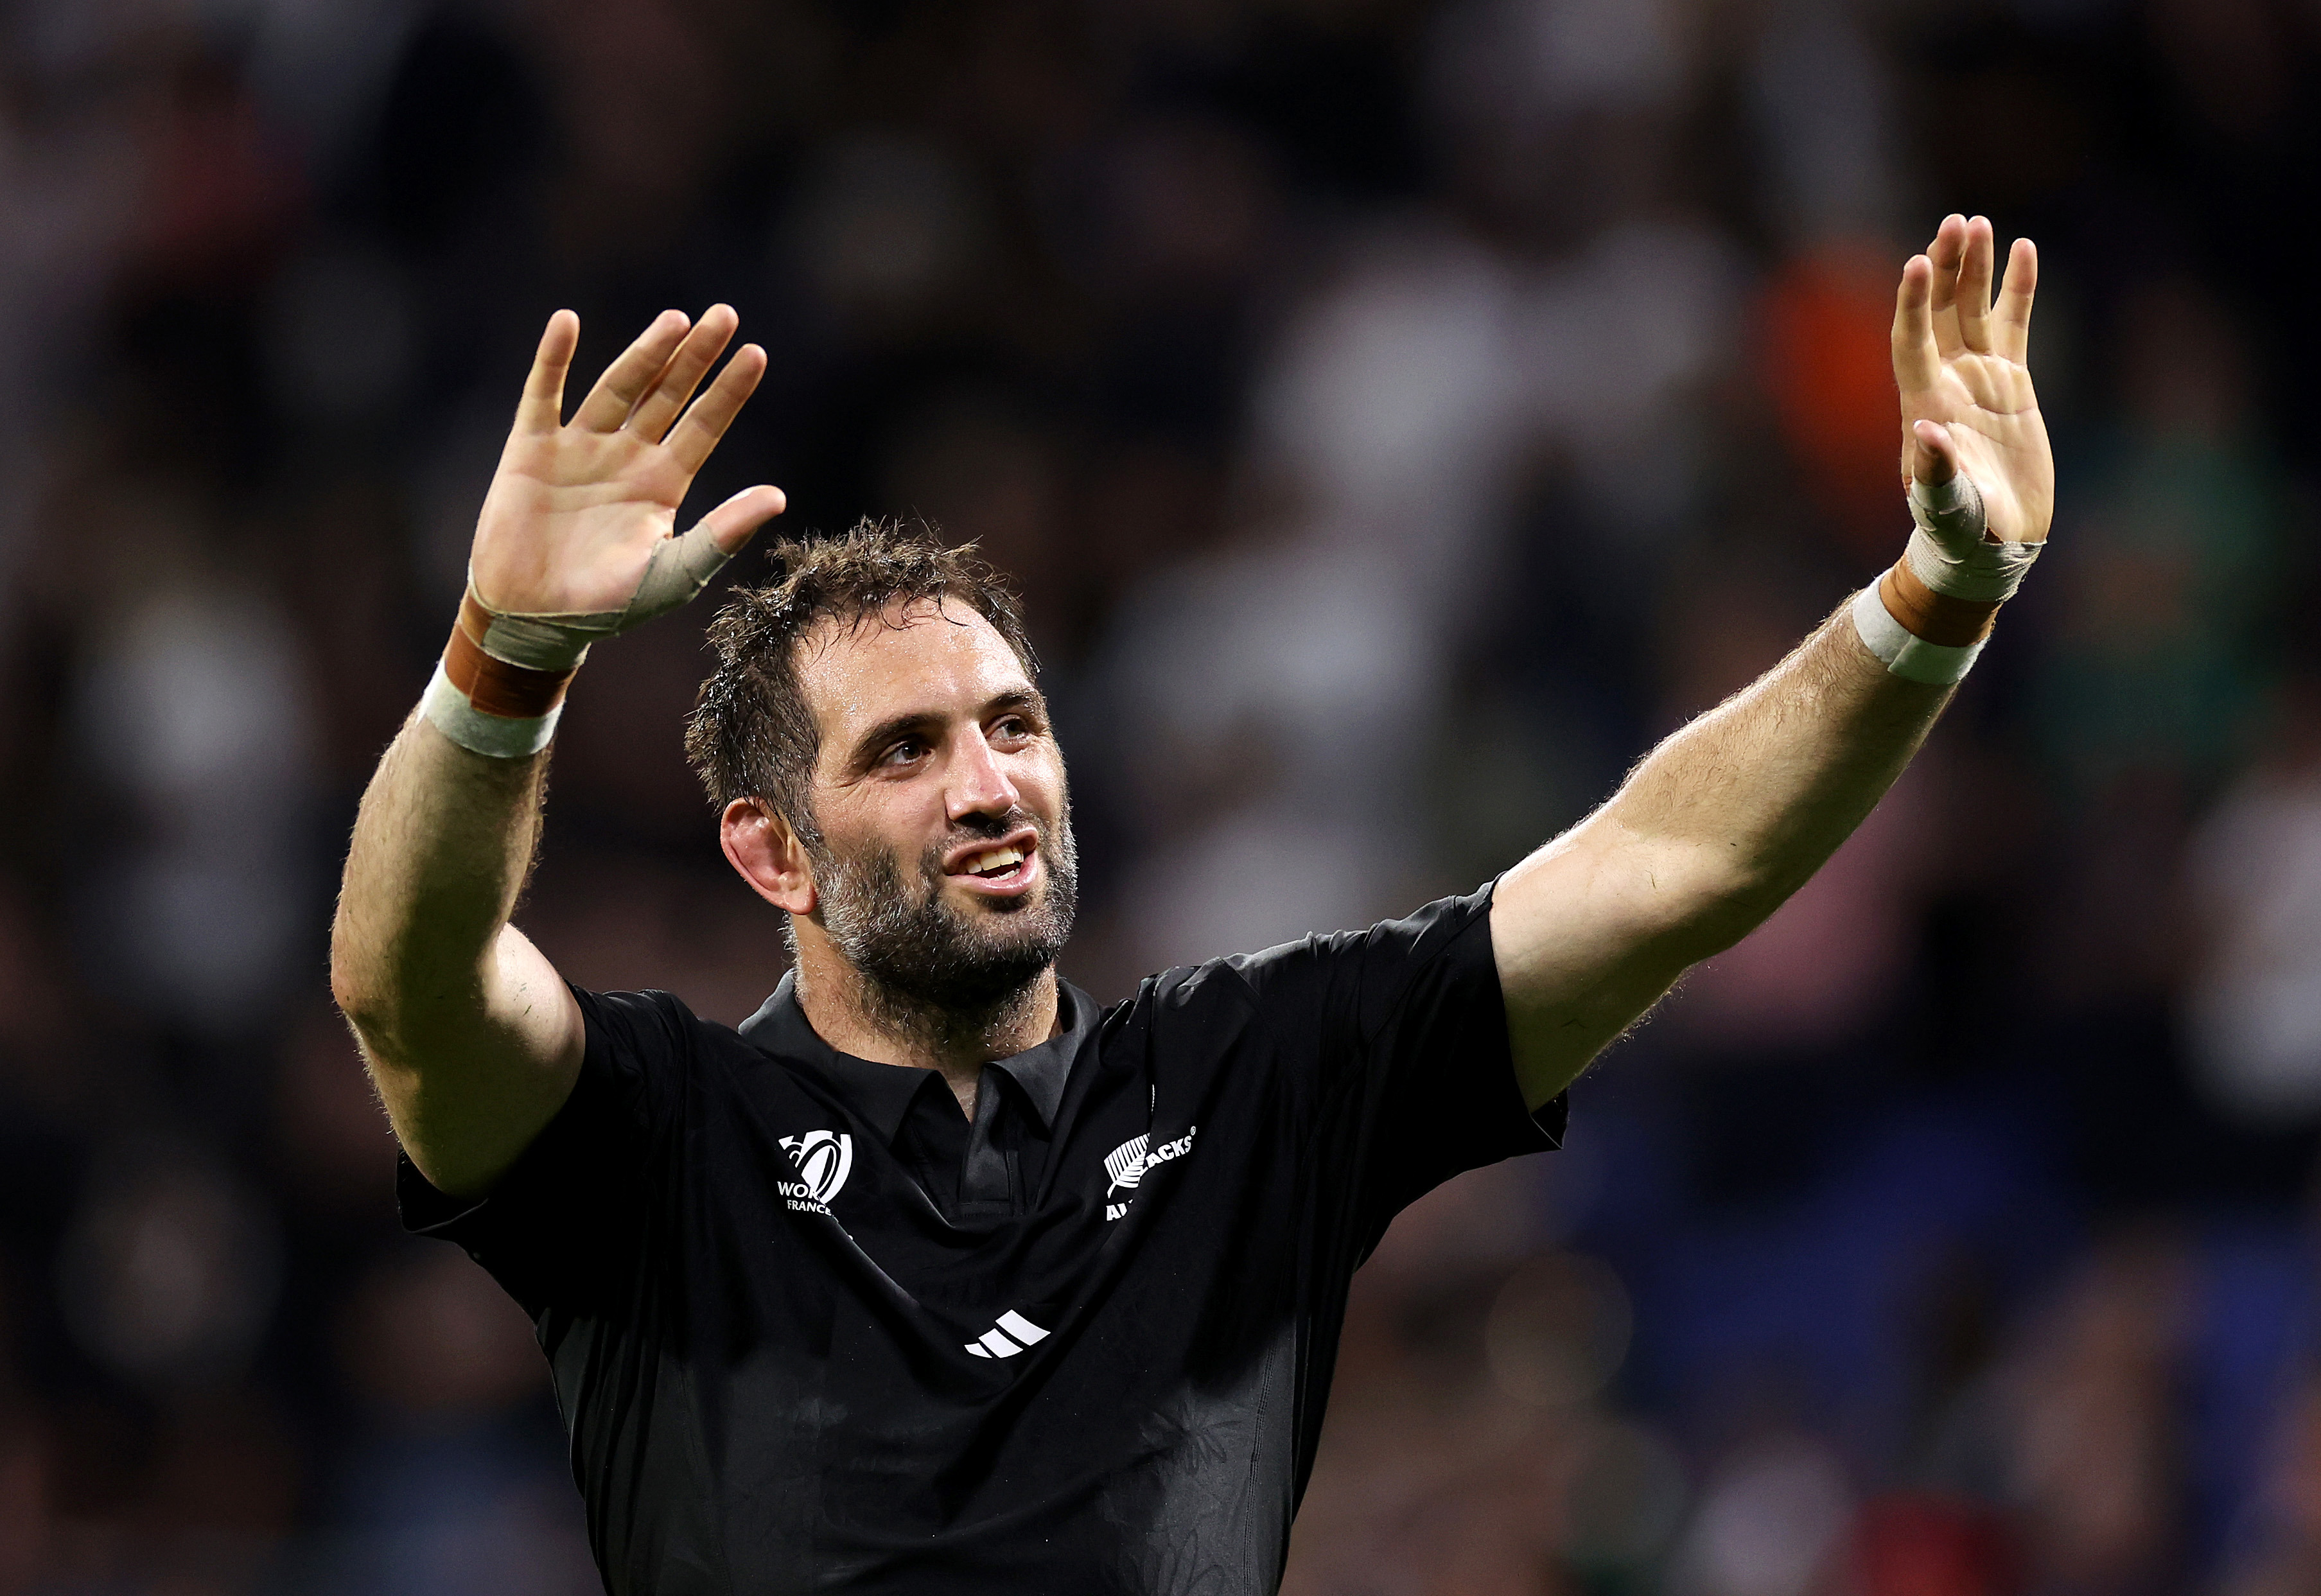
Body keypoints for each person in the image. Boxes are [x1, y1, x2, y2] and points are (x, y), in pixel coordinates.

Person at [329, 213, 2052, 1595]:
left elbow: (1675, 867)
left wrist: (1933, 598)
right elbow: (410, 986)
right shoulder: (660, 1136)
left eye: (1015, 727)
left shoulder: (1249, 1081)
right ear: (773, 854)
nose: (991, 784)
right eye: (908, 751)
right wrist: (502, 669)